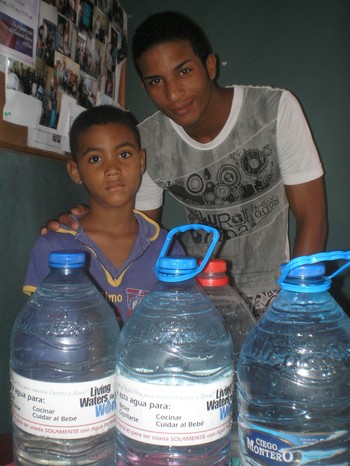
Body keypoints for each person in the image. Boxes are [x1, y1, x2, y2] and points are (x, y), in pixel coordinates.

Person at [43, 11, 327, 319]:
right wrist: (83, 227)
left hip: (277, 288)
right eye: (156, 81)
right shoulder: (146, 140)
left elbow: (312, 216)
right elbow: (138, 231)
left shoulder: (274, 110)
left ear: (210, 66)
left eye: (184, 72)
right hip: (197, 292)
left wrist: (297, 303)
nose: (173, 93)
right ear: (144, 86)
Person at [25, 105, 184, 325]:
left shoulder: (167, 247)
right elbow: (42, 331)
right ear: (75, 171)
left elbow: (179, 326)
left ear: (141, 161)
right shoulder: (53, 245)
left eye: (124, 154)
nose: (112, 168)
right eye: (95, 159)